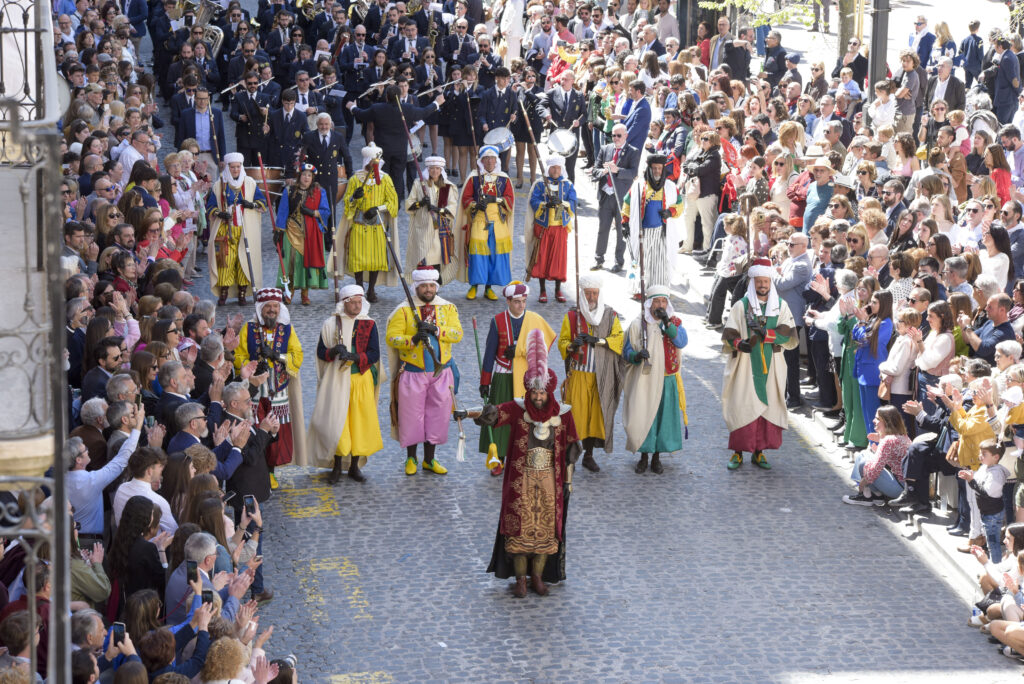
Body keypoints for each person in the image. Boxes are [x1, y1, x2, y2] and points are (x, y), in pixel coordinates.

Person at [469, 327, 579, 598]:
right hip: (522, 480)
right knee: (519, 532)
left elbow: (572, 449)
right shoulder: (518, 409)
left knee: (544, 533)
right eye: (534, 393)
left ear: (549, 393)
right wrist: (470, 412)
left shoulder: (563, 415)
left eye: (542, 394)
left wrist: (568, 482)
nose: (538, 398)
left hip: (549, 481)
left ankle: (538, 577)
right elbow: (494, 414)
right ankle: (520, 579)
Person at [721, 258, 799, 470]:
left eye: (766, 281)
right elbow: (729, 333)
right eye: (759, 281)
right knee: (742, 405)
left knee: (767, 407)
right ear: (752, 282)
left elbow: (789, 333)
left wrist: (768, 334)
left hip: (772, 365)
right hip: (745, 366)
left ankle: (759, 451)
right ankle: (738, 452)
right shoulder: (741, 306)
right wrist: (739, 343)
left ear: (770, 282)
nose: (762, 285)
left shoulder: (780, 307)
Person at [385, 267, 463, 475]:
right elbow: (392, 337)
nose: (428, 290)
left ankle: (429, 459)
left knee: (437, 416)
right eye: (423, 286)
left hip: (441, 372)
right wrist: (412, 340)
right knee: (411, 417)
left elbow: (457, 334)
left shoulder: (448, 308)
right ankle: (411, 458)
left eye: (431, 286)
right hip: (413, 372)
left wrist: (438, 330)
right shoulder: (403, 310)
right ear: (416, 288)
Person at [307, 284, 383, 484]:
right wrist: (333, 352)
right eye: (353, 302)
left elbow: (375, 353)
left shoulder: (369, 324)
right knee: (337, 423)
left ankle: (354, 466)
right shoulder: (331, 324)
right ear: (344, 303)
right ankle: (337, 466)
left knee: (358, 424)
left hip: (360, 379)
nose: (357, 306)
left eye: (359, 302)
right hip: (337, 381)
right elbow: (320, 353)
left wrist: (357, 357)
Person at [479, 281, 556, 475]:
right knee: (499, 417)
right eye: (516, 302)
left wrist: (521, 351)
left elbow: (543, 346)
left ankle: (523, 457)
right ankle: (498, 459)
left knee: (525, 419)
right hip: (503, 375)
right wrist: (485, 382)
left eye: (523, 301)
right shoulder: (497, 321)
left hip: (526, 377)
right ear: (507, 301)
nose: (521, 305)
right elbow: (489, 353)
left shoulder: (534, 319)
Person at [233, 288, 304, 487]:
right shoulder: (248, 328)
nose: (272, 310)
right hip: (255, 389)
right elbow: (239, 356)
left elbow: (297, 355)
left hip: (277, 388)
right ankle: (258, 468)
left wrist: (277, 356)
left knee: (275, 430)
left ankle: (271, 471)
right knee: (255, 428)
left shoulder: (286, 329)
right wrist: (252, 364)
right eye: (268, 307)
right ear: (261, 309)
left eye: (275, 306)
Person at [557, 273, 624, 473]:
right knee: (575, 416)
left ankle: (588, 455)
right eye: (588, 294)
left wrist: (600, 341)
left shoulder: (610, 315)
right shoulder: (572, 316)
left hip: (600, 376)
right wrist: (571, 346)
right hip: (579, 374)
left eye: (594, 293)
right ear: (582, 294)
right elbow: (562, 341)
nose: (592, 297)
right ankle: (570, 456)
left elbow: (619, 338)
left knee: (595, 417)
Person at [621, 286, 689, 474]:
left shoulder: (673, 322)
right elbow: (626, 352)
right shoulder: (637, 325)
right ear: (650, 304)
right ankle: (644, 456)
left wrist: (668, 324)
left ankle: (657, 457)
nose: (661, 305)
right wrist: (636, 355)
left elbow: (681, 341)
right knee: (645, 417)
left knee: (662, 419)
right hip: (645, 380)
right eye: (657, 302)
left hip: (667, 379)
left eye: (664, 302)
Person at [334, 144, 401, 304]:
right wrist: (355, 198)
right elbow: (348, 202)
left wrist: (378, 208)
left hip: (377, 224)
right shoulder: (355, 179)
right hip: (359, 223)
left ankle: (371, 289)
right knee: (357, 257)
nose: (374, 164)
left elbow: (393, 202)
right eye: (372, 161)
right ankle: (358, 287)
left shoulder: (385, 179)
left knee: (376, 259)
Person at [205, 152, 267, 306]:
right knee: (224, 262)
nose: (235, 170)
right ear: (228, 167)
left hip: (244, 229)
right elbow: (210, 207)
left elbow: (262, 202)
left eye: (238, 167)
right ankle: (223, 293)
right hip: (224, 230)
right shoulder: (219, 185)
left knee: (244, 261)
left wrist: (251, 205)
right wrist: (220, 213)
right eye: (232, 167)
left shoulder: (250, 183)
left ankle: (242, 293)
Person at [455, 146, 516, 300]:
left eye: (492, 158)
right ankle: (474, 285)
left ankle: (489, 287)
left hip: (498, 222)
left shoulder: (504, 178)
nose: (489, 161)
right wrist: (476, 204)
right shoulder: (474, 177)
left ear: (497, 160)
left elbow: (509, 198)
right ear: (481, 160)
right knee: (477, 254)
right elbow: (466, 198)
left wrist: (496, 199)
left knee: (495, 255)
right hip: (479, 221)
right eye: (486, 158)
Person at [622, 154, 682, 292]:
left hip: (661, 232)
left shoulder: (671, 187)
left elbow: (680, 204)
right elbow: (627, 202)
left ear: (663, 169)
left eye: (659, 168)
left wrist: (670, 212)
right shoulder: (638, 185)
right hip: (643, 232)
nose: (656, 171)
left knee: (660, 262)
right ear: (649, 169)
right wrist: (624, 222)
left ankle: (659, 290)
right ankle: (640, 289)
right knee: (643, 262)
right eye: (654, 168)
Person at [274, 162, 331, 306]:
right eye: (304, 175)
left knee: (306, 262)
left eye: (309, 176)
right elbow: (282, 212)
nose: (306, 178)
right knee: (291, 262)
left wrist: (313, 213)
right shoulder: (289, 191)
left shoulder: (319, 192)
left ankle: (305, 293)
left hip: (309, 233)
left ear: (313, 178)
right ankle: (289, 292)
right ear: (299, 176)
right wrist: (278, 231)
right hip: (291, 230)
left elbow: (326, 211)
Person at [525, 155, 577, 302]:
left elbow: (573, 201)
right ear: (549, 169)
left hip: (560, 227)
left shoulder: (567, 185)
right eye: (553, 168)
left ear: (562, 169)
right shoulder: (541, 184)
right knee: (541, 258)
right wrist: (544, 205)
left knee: (558, 260)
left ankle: (558, 290)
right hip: (543, 227)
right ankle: (542, 291)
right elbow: (534, 200)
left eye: (558, 168)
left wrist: (561, 204)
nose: (555, 170)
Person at [404, 156, 462, 284]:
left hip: (440, 229)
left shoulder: (448, 186)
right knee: (422, 258)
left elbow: (452, 206)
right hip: (423, 227)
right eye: (432, 168)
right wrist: (420, 203)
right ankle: (421, 286)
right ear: (427, 169)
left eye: (437, 168)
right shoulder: (419, 184)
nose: (434, 171)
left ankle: (434, 288)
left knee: (436, 260)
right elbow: (409, 204)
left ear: (441, 170)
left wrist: (437, 209)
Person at [591, 123, 639, 272]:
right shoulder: (606, 149)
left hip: (622, 197)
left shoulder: (633, 152)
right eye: (613, 135)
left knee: (621, 230)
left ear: (626, 136)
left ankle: (619, 261)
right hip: (606, 195)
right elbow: (595, 170)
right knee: (602, 228)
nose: (616, 138)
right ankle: (599, 259)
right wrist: (604, 172)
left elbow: (633, 173)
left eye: (619, 135)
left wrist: (617, 170)